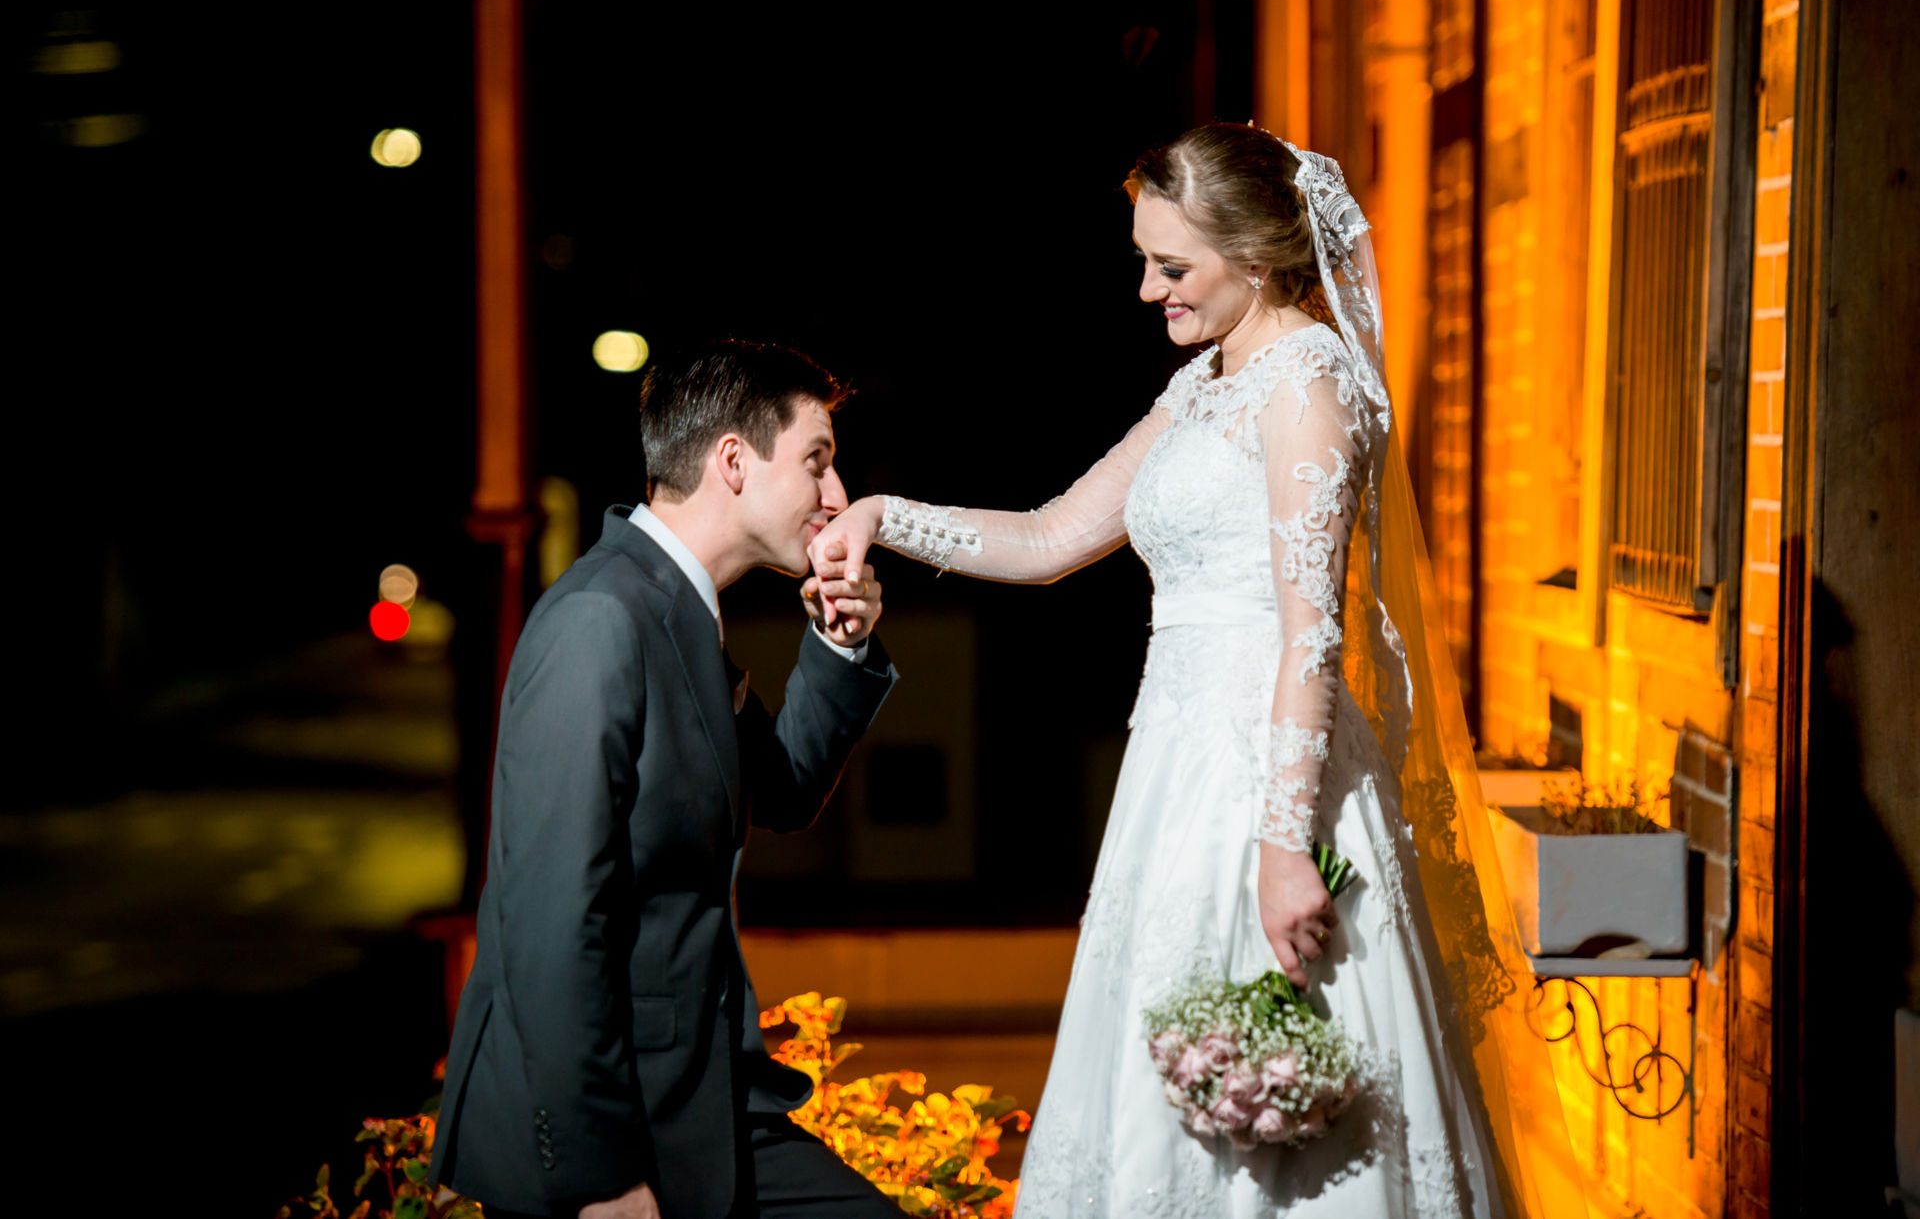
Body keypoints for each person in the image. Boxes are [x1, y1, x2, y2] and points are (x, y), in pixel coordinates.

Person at [805, 126, 1582, 1217]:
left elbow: (1312, 632)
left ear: (1257, 256)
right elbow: (1047, 537)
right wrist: (885, 517)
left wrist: (1282, 846)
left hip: (1271, 784)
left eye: (1172, 266)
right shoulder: (1204, 383)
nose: (1146, 290)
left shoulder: (1308, 381)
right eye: (1144, 259)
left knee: (1292, 1128)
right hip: (1172, 779)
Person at [428, 341, 904, 1219]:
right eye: (818, 462)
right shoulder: (602, 620)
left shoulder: (678, 613)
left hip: (704, 1097)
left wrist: (840, 644)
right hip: (609, 1122)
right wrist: (597, 1177)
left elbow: (787, 790)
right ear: (733, 461)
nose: (838, 498)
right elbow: (549, 919)